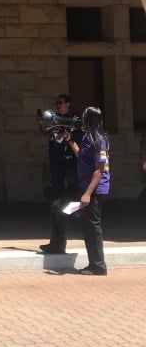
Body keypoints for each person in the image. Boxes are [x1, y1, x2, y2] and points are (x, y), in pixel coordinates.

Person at [40, 107, 110, 275]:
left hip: (93, 190)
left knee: (91, 226)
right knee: (58, 207)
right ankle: (57, 245)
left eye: (85, 117)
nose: (81, 120)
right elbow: (83, 157)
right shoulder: (87, 137)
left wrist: (87, 194)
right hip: (82, 186)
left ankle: (98, 265)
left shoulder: (99, 140)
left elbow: (99, 170)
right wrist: (71, 142)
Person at [37, 94, 82, 201]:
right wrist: (40, 121)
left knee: (74, 185)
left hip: (71, 159)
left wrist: (64, 134)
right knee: (57, 186)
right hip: (57, 159)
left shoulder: (74, 118)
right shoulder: (55, 118)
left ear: (68, 104)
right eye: (56, 103)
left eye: (60, 103)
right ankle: (59, 209)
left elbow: (75, 135)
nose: (58, 105)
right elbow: (49, 132)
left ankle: (75, 209)